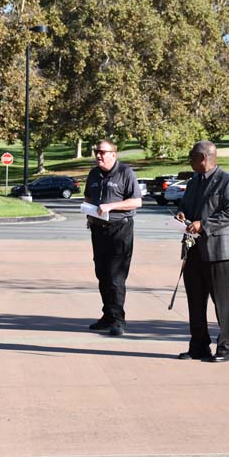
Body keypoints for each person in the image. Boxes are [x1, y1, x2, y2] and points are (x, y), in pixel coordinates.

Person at [175, 140, 229, 362]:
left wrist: (203, 225)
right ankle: (199, 346)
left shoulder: (227, 181)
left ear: (203, 157)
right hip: (194, 248)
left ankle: (226, 348)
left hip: (220, 250)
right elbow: (186, 206)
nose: (190, 162)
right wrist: (182, 215)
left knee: (222, 301)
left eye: (191, 157)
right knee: (195, 300)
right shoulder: (194, 182)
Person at [84, 140, 142, 336]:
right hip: (98, 230)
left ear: (113, 154)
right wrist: (89, 213)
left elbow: (136, 201)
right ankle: (107, 316)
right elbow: (89, 198)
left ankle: (118, 320)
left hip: (120, 230)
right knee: (102, 274)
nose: (98, 155)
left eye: (102, 152)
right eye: (96, 152)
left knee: (116, 277)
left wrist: (111, 206)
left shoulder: (125, 172)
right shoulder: (93, 174)